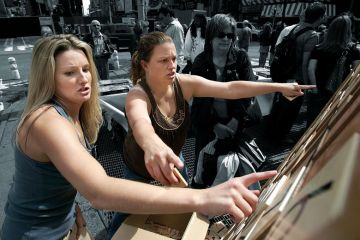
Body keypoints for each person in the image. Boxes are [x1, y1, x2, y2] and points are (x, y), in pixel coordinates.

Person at [0, 34, 280, 240]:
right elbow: (100, 190)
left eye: (86, 69)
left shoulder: (75, 114)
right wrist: (203, 197)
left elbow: (229, 87)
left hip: (69, 225)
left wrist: (278, 86)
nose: (84, 79)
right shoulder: (47, 121)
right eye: (70, 73)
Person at [106, 31, 315, 237]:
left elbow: (230, 88)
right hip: (138, 165)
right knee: (125, 214)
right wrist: (152, 144)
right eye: (163, 61)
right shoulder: (137, 95)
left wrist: (278, 87)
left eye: (174, 58)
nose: (172, 65)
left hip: (174, 159)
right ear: (145, 65)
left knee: (183, 207)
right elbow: (139, 121)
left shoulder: (183, 84)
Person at [190, 14, 256, 169]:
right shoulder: (200, 62)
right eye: (221, 34)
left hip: (235, 124)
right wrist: (214, 125)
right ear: (211, 36)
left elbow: (249, 90)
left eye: (230, 35)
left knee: (236, 168)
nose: (226, 39)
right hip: (208, 126)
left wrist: (236, 119)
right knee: (206, 168)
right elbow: (199, 99)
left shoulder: (241, 58)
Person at [267, 1, 326, 144]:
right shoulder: (312, 35)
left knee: (280, 105)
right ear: (320, 17)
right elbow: (305, 63)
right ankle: (280, 137)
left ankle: (270, 132)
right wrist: (305, 85)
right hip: (296, 77)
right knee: (290, 110)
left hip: (284, 73)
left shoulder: (295, 28)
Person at [307, 14, 360, 126]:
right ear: (348, 30)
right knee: (330, 123)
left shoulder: (319, 47)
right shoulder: (352, 49)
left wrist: (314, 87)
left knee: (313, 121)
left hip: (319, 88)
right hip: (339, 91)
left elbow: (311, 68)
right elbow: (356, 73)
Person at [158, 5, 185, 71]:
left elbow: (178, 47)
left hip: (174, 63)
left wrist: (177, 64)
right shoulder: (170, 26)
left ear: (168, 15)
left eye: (162, 18)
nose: (161, 21)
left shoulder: (176, 27)